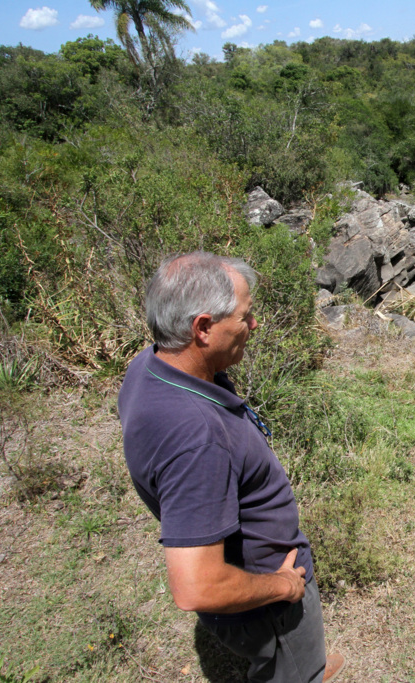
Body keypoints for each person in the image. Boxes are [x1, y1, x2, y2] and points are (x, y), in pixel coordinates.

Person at [118, 251, 345, 683]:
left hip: (256, 585)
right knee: (295, 671)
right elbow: (196, 587)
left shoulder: (149, 366)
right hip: (268, 602)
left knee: (292, 662)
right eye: (245, 316)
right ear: (202, 328)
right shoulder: (197, 437)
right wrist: (285, 588)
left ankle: (298, 663)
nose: (254, 326)